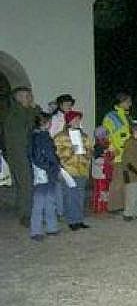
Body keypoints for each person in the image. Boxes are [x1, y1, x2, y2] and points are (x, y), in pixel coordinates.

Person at [3, 86, 41, 226]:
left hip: (25, 152)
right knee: (26, 184)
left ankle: (26, 212)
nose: (30, 98)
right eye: (27, 95)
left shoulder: (24, 111)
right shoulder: (15, 113)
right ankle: (25, 215)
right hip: (19, 153)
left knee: (26, 184)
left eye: (30, 95)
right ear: (18, 98)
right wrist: (34, 110)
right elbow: (28, 128)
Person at [54, 110, 92, 231]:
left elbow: (90, 150)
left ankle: (79, 219)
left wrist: (86, 152)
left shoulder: (84, 136)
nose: (77, 121)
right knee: (70, 195)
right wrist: (71, 150)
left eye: (78, 119)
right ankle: (72, 220)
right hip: (69, 170)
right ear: (69, 121)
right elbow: (58, 152)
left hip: (82, 169)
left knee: (80, 195)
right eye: (75, 119)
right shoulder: (60, 136)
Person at [28, 113, 61, 241]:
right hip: (43, 172)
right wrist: (50, 166)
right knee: (39, 201)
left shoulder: (44, 136)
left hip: (49, 171)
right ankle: (35, 230)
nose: (51, 123)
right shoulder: (38, 137)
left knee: (50, 199)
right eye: (49, 121)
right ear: (44, 123)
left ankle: (51, 227)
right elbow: (37, 157)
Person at [102, 93, 132, 212]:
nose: (130, 104)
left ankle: (124, 204)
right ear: (121, 102)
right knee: (117, 182)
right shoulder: (111, 116)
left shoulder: (126, 116)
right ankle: (114, 206)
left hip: (128, 154)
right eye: (128, 101)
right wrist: (113, 149)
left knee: (127, 180)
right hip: (118, 155)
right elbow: (106, 136)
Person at [48, 94, 75, 219]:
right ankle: (59, 210)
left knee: (71, 182)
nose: (69, 106)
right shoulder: (55, 118)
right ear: (60, 105)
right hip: (59, 153)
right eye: (66, 104)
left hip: (72, 154)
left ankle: (69, 208)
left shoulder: (74, 117)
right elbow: (51, 136)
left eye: (70, 104)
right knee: (59, 182)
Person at [91, 126, 113, 213]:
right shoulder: (98, 147)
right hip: (100, 173)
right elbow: (96, 160)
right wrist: (106, 158)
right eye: (106, 134)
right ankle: (98, 207)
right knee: (100, 191)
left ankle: (104, 206)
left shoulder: (105, 145)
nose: (107, 136)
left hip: (104, 172)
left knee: (105, 190)